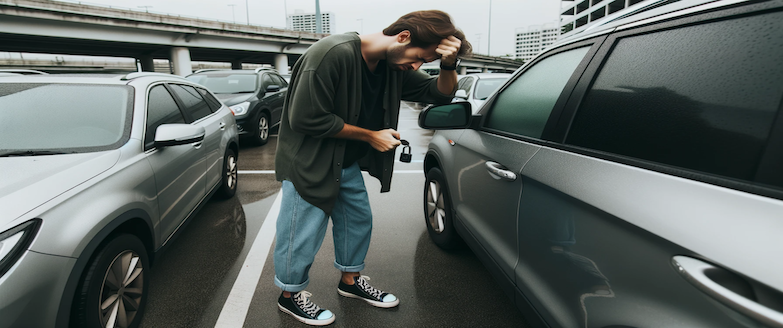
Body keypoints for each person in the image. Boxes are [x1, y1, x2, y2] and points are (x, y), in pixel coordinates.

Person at [273, 10, 471, 326]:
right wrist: (370, 136)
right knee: (301, 232)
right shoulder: (331, 54)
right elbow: (305, 118)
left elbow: (440, 93)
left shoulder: (394, 66)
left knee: (357, 220)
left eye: (427, 63)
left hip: (344, 161)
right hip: (308, 161)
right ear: (404, 36)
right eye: (421, 57)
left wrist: (448, 65)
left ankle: (350, 282)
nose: (417, 66)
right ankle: (290, 296)